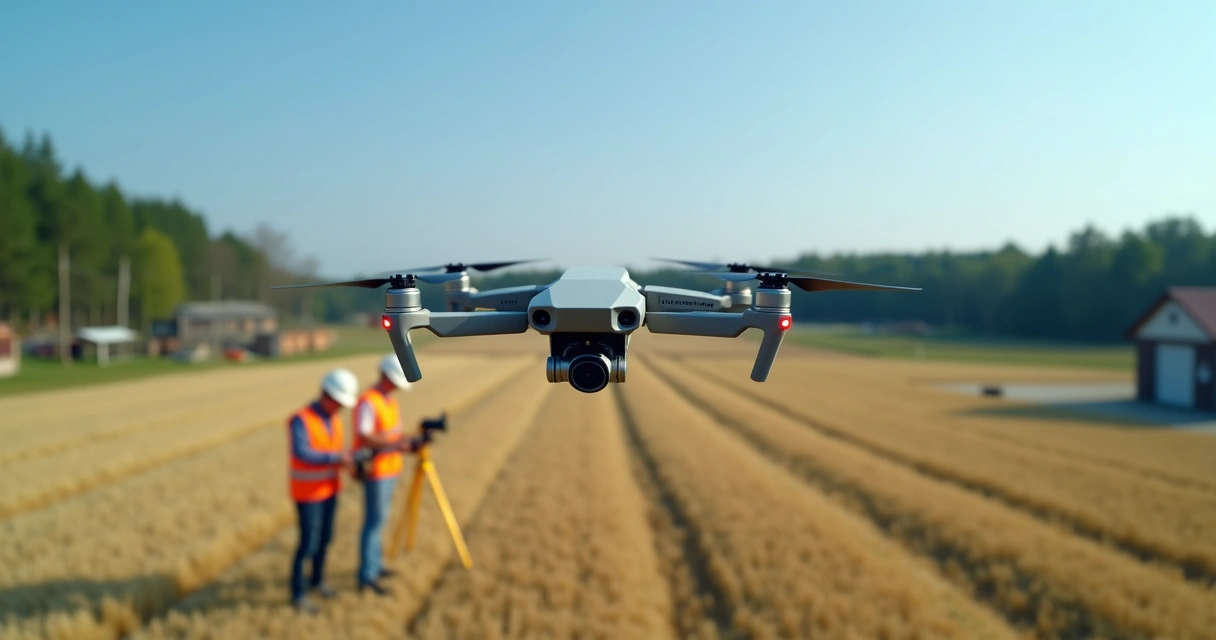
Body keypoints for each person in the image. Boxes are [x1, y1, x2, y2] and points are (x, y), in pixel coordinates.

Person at [287, 367, 359, 614]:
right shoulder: (301, 419)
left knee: (326, 539)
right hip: (308, 494)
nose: (341, 407)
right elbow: (302, 452)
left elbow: (335, 451)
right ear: (326, 395)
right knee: (308, 543)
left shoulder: (335, 419)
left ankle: (317, 581)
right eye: (339, 402)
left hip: (330, 490)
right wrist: (336, 458)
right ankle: (298, 594)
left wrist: (348, 462)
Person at [352, 354, 421, 594]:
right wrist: (396, 443)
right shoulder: (368, 401)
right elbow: (365, 436)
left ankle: (376, 565)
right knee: (373, 523)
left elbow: (390, 433)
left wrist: (402, 441)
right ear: (387, 377)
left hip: (390, 468)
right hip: (377, 471)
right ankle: (367, 576)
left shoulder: (389, 400)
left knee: (380, 521)